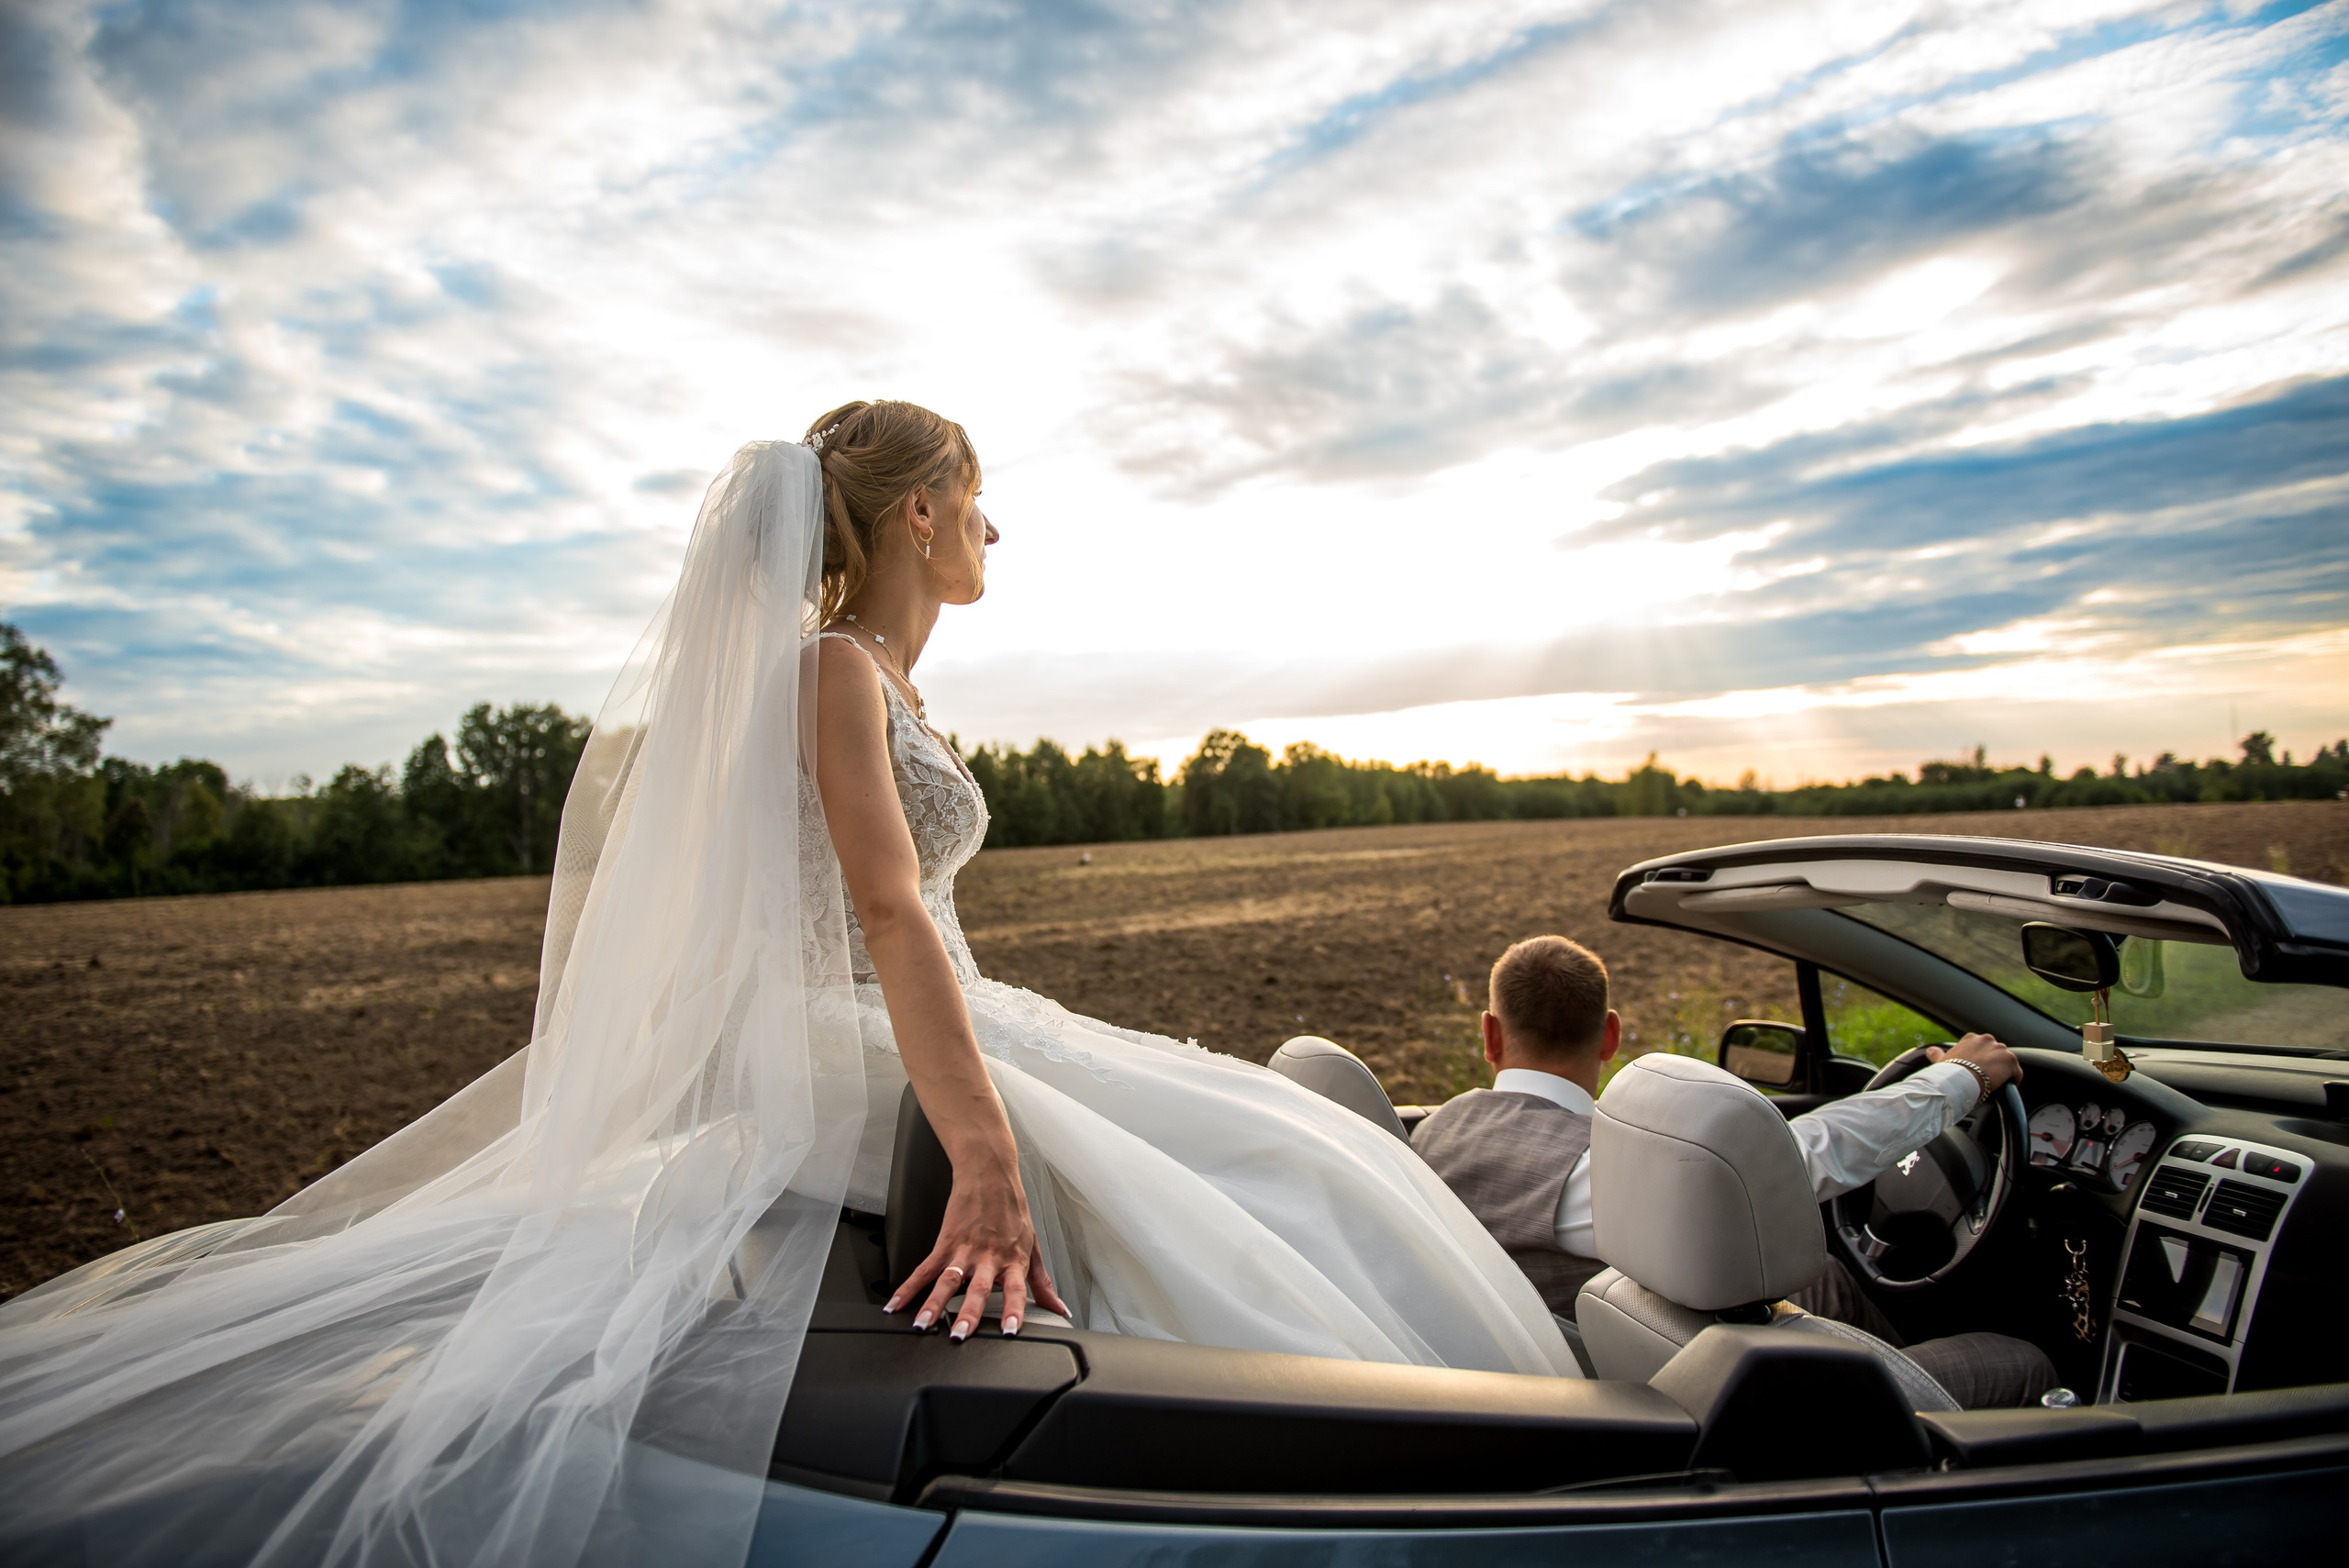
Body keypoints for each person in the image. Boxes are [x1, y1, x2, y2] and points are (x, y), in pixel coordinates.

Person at [0, 405, 1574, 1567]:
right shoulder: (829, 670)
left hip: (917, 1000)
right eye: (978, 504)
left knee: (1285, 1145)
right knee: (1264, 1160)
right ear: (917, 515)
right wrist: (986, 1151)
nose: (994, 535)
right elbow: (885, 910)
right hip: (856, 1024)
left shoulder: (889, 683)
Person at [1411, 935, 2057, 1408]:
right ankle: (1902, 1439)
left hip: (1612, 1378)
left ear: (1490, 1035)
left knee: (1830, 1278)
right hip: (1692, 1405)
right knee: (2025, 1361)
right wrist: (1960, 1078)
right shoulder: (1593, 1178)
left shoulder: (1434, 1133)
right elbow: (1785, 1160)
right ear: (1610, 1037)